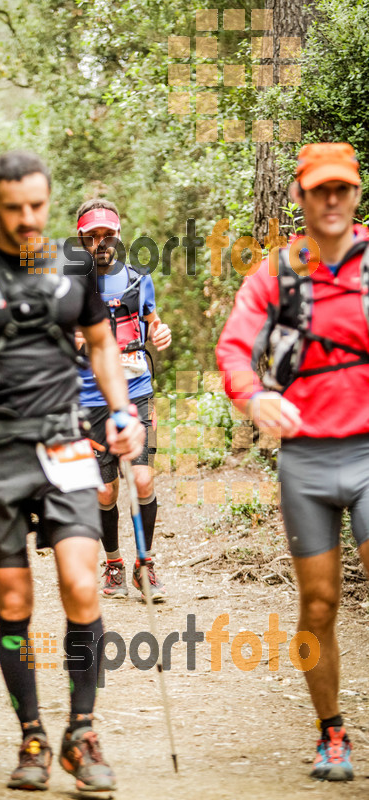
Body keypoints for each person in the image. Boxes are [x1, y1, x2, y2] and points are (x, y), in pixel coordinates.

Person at [0, 151, 144, 793]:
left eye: (37, 207)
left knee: (82, 585)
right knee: (14, 602)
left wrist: (123, 412)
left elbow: (100, 343)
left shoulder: (73, 266)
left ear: (48, 201)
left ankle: (83, 730)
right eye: (14, 208)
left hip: (66, 447)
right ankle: (33, 735)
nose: (27, 219)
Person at [216, 142, 369, 782]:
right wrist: (254, 398)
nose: (332, 201)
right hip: (304, 461)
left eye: (343, 189)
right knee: (318, 605)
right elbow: (233, 349)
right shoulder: (274, 275)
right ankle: (331, 733)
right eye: (319, 190)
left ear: (356, 195)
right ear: (302, 198)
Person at [75, 199, 172, 601]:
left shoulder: (137, 279)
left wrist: (161, 334)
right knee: (104, 491)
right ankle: (113, 563)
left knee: (144, 477)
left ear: (117, 235)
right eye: (92, 236)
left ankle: (144, 565)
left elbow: (152, 322)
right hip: (90, 395)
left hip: (136, 389)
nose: (101, 243)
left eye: (106, 235)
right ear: (81, 238)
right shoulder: (68, 283)